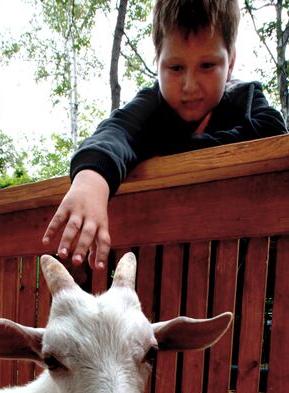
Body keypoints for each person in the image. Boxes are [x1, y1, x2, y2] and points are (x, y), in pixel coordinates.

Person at [43, 0, 287, 270]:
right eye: (176, 68)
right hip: (159, 281)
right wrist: (91, 181)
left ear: (230, 63)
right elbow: (115, 132)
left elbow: (273, 135)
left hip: (233, 274)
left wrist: (169, 152)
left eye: (207, 65)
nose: (190, 85)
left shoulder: (245, 101)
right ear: (157, 62)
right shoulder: (151, 107)